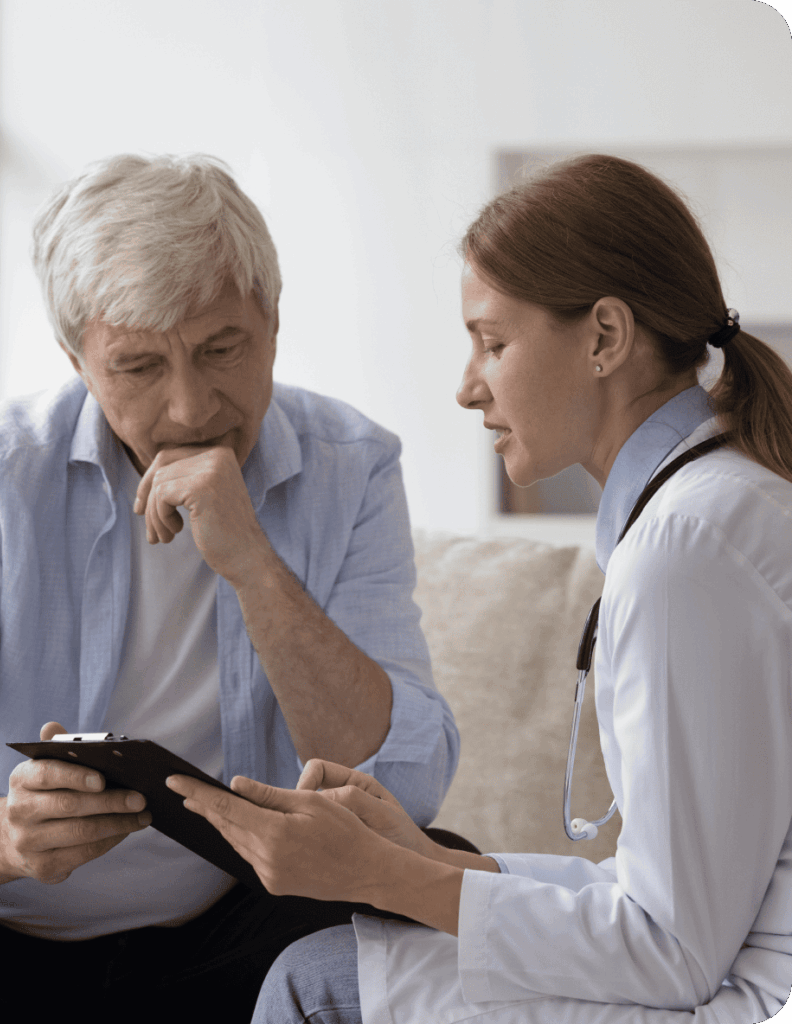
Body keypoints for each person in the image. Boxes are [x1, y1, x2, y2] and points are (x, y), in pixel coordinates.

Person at [0, 153, 460, 1022]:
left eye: (221, 349)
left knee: (427, 871)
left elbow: (404, 783)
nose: (192, 409)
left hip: (228, 937)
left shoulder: (352, 465)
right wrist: (3, 836)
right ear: (76, 358)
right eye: (137, 367)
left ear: (272, 322)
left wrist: (250, 562)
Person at [170, 153, 792, 1023]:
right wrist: (433, 866)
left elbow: (671, 951)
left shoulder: (685, 547)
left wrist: (378, 874)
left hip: (748, 1000)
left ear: (605, 338)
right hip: (733, 968)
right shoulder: (716, 507)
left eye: (492, 343)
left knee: (322, 983)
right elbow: (674, 898)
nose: (467, 388)